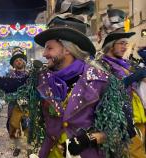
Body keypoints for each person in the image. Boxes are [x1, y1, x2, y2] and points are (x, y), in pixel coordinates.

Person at [32, 14, 134, 158]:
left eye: (49, 48)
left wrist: (89, 139)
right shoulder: (42, 80)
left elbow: (126, 129)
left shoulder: (102, 81)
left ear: (67, 49)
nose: (44, 53)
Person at [100, 9, 146, 157]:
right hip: (120, 122)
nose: (125, 47)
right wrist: (130, 79)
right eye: (121, 43)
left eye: (126, 43)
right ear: (110, 44)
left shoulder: (126, 64)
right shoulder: (101, 65)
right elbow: (106, 89)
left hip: (138, 118)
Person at [6, 47, 29, 156]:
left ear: (24, 62)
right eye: (16, 60)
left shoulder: (31, 75)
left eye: (20, 60)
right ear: (14, 64)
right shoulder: (10, 75)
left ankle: (30, 146)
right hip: (14, 104)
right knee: (14, 125)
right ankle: (18, 147)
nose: (18, 61)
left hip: (28, 105)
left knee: (29, 126)